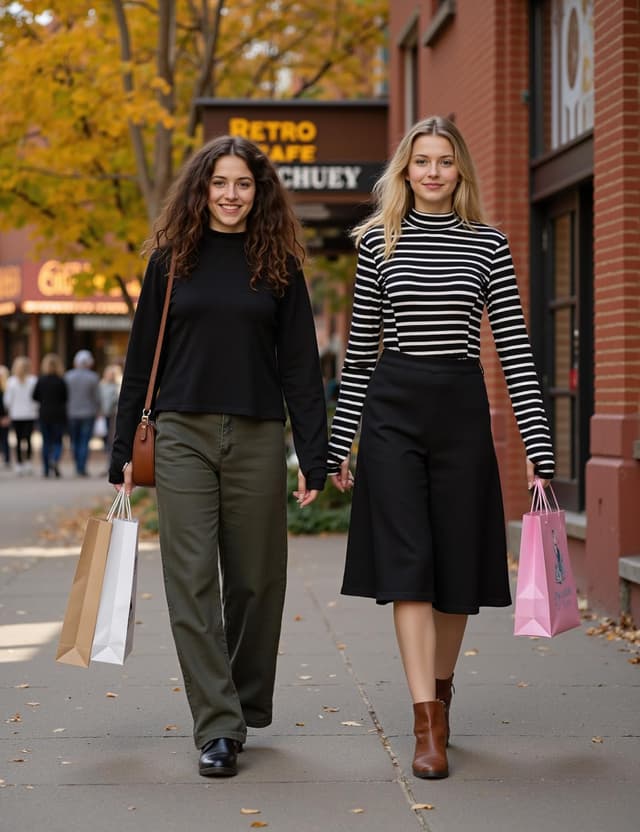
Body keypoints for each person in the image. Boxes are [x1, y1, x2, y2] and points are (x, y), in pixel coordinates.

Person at [328, 116, 555, 780]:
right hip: (393, 412)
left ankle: (442, 694)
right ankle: (425, 720)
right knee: (409, 568)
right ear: (406, 170)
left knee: (455, 574)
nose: (433, 172)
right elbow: (359, 355)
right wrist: (340, 444)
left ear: (460, 172)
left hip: (460, 409)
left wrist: (539, 445)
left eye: (444, 161)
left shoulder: (488, 244)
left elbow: (514, 348)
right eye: (422, 160)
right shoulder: (378, 242)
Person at [109, 135, 328, 778]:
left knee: (258, 580)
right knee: (192, 580)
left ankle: (243, 702)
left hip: (258, 434)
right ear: (201, 189)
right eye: (220, 183)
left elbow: (301, 367)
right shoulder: (172, 261)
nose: (231, 195)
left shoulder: (279, 264)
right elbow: (140, 360)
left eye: (243, 184)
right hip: (181, 433)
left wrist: (312, 453)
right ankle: (217, 724)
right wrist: (123, 451)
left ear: (259, 192)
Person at [64, 349, 100, 477]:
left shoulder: (68, 376)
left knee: (74, 440)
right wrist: (98, 409)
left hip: (71, 413)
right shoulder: (93, 377)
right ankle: (82, 467)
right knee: (84, 441)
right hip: (88, 413)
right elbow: (96, 397)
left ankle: (77, 465)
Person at [32, 353, 68, 478]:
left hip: (44, 414)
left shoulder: (41, 380)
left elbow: (34, 396)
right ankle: (55, 459)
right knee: (58, 441)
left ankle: (46, 469)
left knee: (46, 441)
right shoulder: (61, 381)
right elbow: (65, 398)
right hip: (58, 414)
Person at [4, 356, 38, 474]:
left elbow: (7, 400)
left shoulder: (11, 382)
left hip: (17, 414)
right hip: (30, 414)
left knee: (18, 440)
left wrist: (9, 410)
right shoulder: (33, 380)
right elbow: (36, 400)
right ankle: (28, 462)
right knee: (28, 439)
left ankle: (19, 463)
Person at [98, 364, 121, 453]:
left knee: (112, 430)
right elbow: (99, 398)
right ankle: (106, 445)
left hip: (114, 412)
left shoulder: (117, 385)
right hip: (104, 411)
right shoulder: (102, 384)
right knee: (104, 430)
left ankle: (111, 446)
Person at [0, 365, 10, 467]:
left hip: (4, 417)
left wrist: (6, 416)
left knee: (4, 439)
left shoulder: (7, 388)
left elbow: (7, 404)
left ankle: (7, 459)